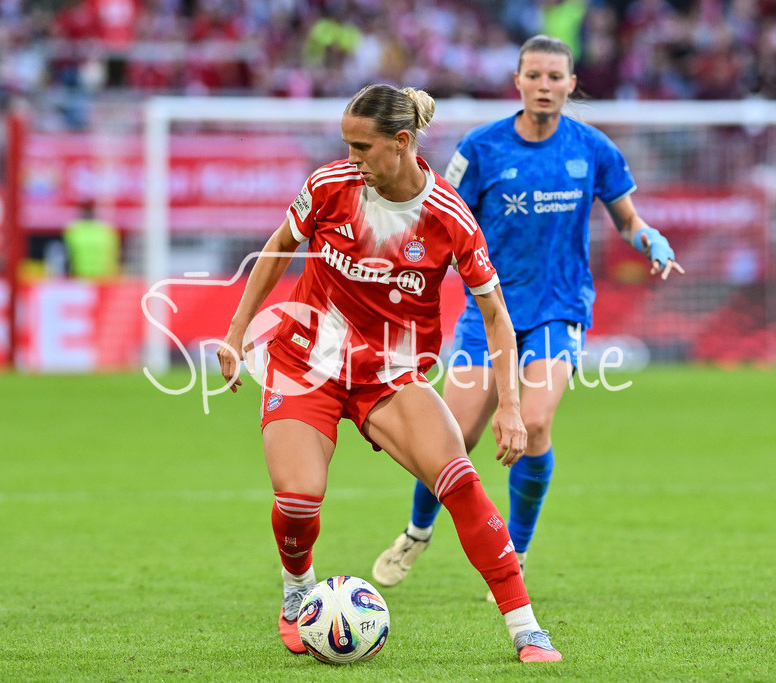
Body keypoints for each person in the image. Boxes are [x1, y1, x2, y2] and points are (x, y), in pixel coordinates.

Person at [217, 84, 562, 663]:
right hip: (307, 364)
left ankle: (526, 628)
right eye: (346, 145)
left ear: (401, 143)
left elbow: (495, 315)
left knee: (459, 482)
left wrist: (507, 405)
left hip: (390, 374)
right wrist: (234, 333)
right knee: (300, 498)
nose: (351, 158)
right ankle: (297, 589)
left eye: (362, 146)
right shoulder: (330, 187)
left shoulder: (449, 217)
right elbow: (277, 248)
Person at [372, 35, 685, 597]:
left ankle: (513, 555)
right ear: (516, 82)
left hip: (557, 311)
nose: (544, 86)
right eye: (534, 76)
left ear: (571, 84)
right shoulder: (481, 148)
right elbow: (439, 217)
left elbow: (628, 219)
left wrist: (651, 239)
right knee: (451, 435)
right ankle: (417, 532)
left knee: (535, 423)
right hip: (485, 310)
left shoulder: (592, 148)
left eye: (554, 77)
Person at [63, 199, 120, 278]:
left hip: (81, 275)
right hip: (102, 277)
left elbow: (66, 255)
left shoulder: (73, 231)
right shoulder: (107, 230)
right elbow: (115, 255)